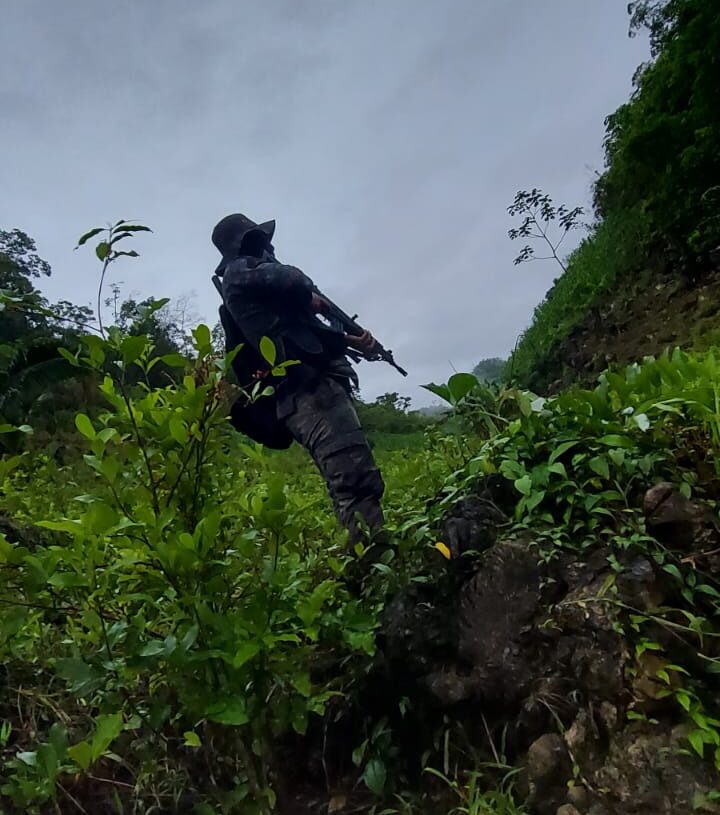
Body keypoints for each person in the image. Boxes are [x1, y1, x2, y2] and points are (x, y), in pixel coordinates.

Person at [211, 213, 386, 557]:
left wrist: (352, 341)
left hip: (311, 390)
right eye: (261, 241)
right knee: (354, 481)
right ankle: (373, 565)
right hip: (307, 392)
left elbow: (301, 335)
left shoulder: (262, 295)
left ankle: (370, 559)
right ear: (248, 243)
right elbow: (293, 279)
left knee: (352, 478)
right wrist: (309, 296)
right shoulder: (239, 272)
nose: (269, 247)